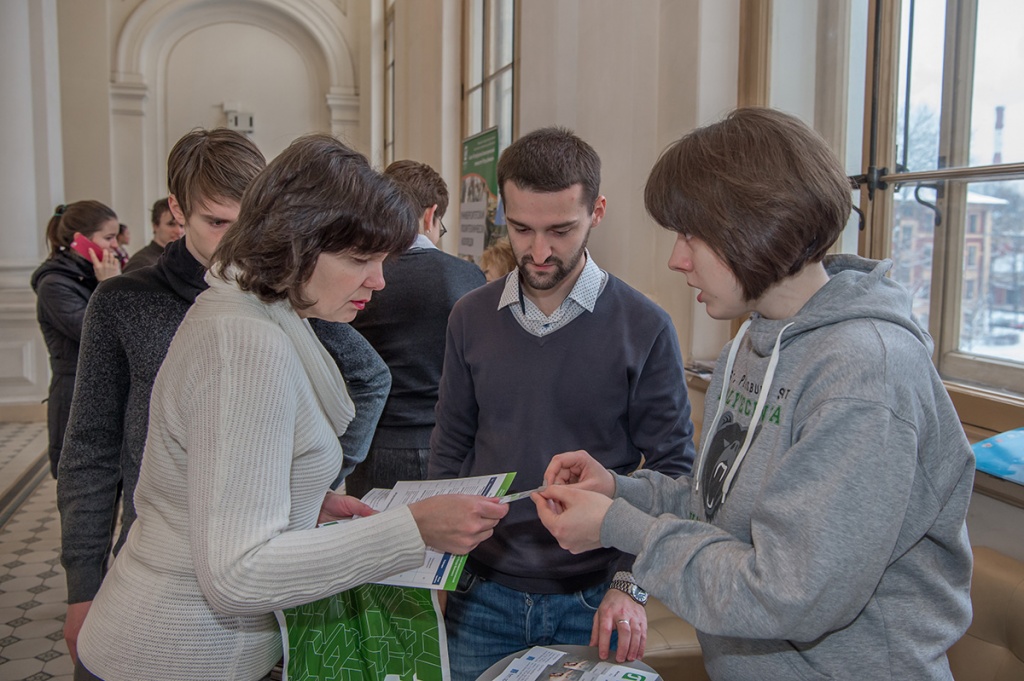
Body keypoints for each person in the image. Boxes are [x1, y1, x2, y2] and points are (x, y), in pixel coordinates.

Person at [533, 107, 975, 681]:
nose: (677, 259)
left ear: (756, 228)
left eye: (692, 236)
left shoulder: (864, 376)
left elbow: (787, 593)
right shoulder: (749, 346)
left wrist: (618, 526)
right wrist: (620, 491)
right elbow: (715, 511)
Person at [74, 134, 509, 681]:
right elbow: (237, 574)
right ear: (295, 243)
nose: (378, 279)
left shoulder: (259, 311)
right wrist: (411, 531)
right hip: (175, 653)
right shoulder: (246, 343)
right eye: (360, 259)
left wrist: (306, 501)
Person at [58, 128, 393, 665]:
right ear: (178, 211)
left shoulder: (282, 302)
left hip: (231, 592)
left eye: (250, 223)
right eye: (217, 222)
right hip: (168, 572)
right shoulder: (162, 309)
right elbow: (92, 450)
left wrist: (302, 493)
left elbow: (368, 379)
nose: (236, 241)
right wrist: (81, 582)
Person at [429, 126, 696, 680]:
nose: (539, 251)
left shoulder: (644, 326)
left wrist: (631, 585)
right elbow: (450, 451)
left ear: (597, 211)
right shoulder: (469, 318)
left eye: (560, 229)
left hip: (595, 600)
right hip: (480, 595)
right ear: (503, 210)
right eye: (522, 229)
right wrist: (437, 570)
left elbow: (673, 470)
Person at [346, 160, 486, 498]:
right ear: (431, 214)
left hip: (375, 442)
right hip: (452, 443)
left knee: (375, 545)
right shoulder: (467, 278)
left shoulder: (356, 278)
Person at [31, 201, 122, 478]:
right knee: (86, 490)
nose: (116, 246)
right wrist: (109, 286)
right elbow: (99, 334)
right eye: (108, 238)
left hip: (106, 392)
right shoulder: (55, 285)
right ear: (79, 241)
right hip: (74, 396)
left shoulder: (90, 276)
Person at [122, 197, 185, 273]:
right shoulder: (140, 263)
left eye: (182, 225)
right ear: (155, 226)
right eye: (171, 224)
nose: (179, 231)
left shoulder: (178, 258)